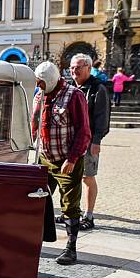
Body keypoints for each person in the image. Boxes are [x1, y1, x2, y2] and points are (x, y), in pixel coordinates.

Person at [31, 61, 91, 265]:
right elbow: (35, 123)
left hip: (66, 161)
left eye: (41, 82)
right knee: (35, 200)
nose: (38, 85)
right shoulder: (40, 95)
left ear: (50, 80)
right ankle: (32, 241)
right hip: (44, 159)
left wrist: (72, 159)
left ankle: (71, 249)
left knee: (69, 205)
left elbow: (84, 131)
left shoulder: (74, 95)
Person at [69, 54, 110, 231]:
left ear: (88, 68)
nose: (74, 71)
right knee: (71, 177)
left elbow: (102, 118)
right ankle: (71, 212)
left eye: (78, 67)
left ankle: (89, 215)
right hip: (71, 140)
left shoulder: (97, 89)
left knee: (87, 177)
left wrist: (97, 140)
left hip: (88, 140)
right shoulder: (70, 87)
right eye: (71, 67)